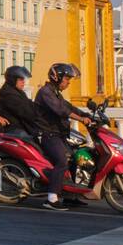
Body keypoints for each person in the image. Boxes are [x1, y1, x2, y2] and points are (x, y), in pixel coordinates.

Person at [33, 63, 94, 211]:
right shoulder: (45, 92)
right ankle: (51, 198)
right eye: (66, 79)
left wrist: (87, 115)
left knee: (74, 159)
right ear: (57, 77)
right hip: (47, 134)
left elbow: (69, 107)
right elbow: (61, 110)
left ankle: (69, 196)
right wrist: (80, 119)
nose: (68, 82)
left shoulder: (55, 93)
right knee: (61, 161)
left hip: (58, 134)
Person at [0, 65, 44, 140]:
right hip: (11, 129)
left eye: (23, 79)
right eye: (21, 79)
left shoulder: (17, 91)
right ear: (12, 80)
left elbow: (30, 105)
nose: (23, 81)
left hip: (20, 126)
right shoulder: (8, 94)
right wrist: (42, 118)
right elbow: (27, 112)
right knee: (31, 143)